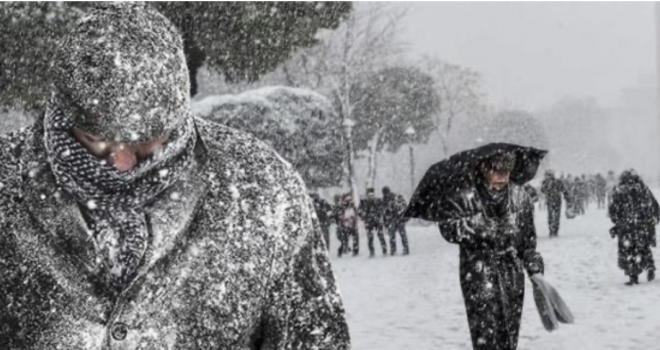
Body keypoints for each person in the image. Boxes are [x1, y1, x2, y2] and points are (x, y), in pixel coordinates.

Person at [0, 4, 350, 348]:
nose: (122, 164)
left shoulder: (263, 188)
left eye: (147, 143)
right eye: (96, 141)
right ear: (62, 113)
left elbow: (315, 338)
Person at [437, 152, 544, 350]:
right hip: (478, 273)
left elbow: (528, 241)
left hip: (512, 274)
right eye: (496, 168)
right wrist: (477, 227)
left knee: (509, 334)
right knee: (484, 334)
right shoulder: (466, 195)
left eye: (507, 167)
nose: (502, 174)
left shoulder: (521, 197)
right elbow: (448, 228)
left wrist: (534, 266)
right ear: (483, 168)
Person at [609, 170, 659, 285]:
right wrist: (653, 219)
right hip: (643, 225)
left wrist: (617, 221)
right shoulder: (643, 189)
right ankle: (649, 265)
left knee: (628, 251)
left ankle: (633, 275)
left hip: (626, 227)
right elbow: (654, 205)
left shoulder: (619, 190)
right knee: (643, 247)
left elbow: (613, 210)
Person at [359, 188, 387, 257]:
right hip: (373, 221)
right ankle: (382, 251)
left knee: (373, 237)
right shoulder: (366, 201)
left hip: (372, 221)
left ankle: (376, 252)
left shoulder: (365, 201)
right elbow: (360, 212)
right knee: (376, 237)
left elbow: (360, 212)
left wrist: (364, 216)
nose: (370, 195)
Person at [382, 186, 410, 255]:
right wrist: (385, 223)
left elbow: (404, 207)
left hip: (399, 219)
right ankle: (393, 250)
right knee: (392, 237)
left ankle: (405, 249)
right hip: (391, 220)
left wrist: (404, 217)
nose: (386, 195)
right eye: (385, 193)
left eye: (386, 193)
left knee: (402, 235)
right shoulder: (384, 200)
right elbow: (384, 212)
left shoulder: (397, 197)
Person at [541, 170, 566, 237]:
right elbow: (542, 190)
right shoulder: (550, 182)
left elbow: (563, 189)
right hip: (554, 201)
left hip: (554, 201)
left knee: (553, 217)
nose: (546, 177)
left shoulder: (555, 182)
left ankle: (553, 230)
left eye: (547, 175)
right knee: (553, 217)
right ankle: (553, 230)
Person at [336, 193, 359, 257]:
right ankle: (341, 250)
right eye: (348, 201)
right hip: (345, 226)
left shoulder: (353, 207)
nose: (349, 202)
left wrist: (353, 220)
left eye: (350, 201)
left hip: (352, 225)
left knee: (355, 239)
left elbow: (356, 215)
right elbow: (340, 217)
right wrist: (342, 222)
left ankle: (355, 251)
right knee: (344, 240)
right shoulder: (342, 208)